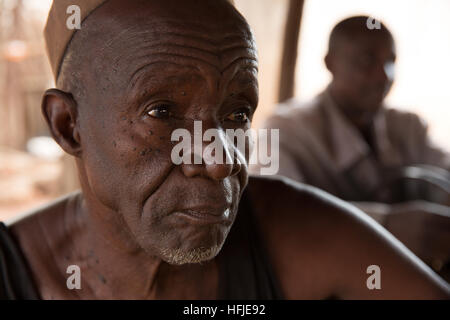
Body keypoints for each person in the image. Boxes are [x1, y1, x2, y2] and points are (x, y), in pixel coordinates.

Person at [0, 1, 448, 300]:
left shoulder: (286, 227)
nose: (220, 161)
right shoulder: (13, 273)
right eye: (162, 111)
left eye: (236, 115)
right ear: (68, 126)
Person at [251, 16, 450, 277]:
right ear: (330, 63)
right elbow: (273, 214)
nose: (383, 75)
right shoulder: (284, 129)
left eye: (390, 61)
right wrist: (385, 224)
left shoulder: (408, 126)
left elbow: (442, 176)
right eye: (367, 61)